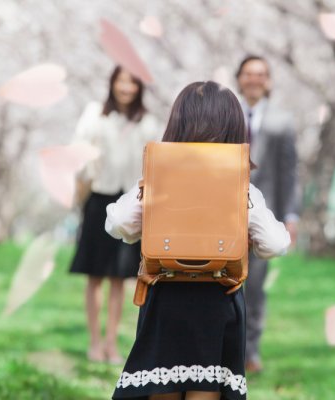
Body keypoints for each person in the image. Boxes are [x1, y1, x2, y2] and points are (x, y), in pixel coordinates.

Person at [105, 81, 290, 400]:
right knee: (207, 390)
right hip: (217, 301)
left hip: (166, 298)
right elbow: (274, 244)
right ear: (235, 128)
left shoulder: (158, 179)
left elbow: (119, 223)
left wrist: (147, 192)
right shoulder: (241, 188)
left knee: (160, 386)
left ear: (177, 124)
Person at [69, 66, 161, 363]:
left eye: (131, 82)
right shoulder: (95, 114)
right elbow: (79, 150)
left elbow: (156, 159)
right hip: (98, 199)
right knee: (95, 275)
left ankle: (111, 342)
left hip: (130, 203)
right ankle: (94, 341)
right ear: (112, 84)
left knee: (120, 277)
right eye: (121, 81)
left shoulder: (146, 122)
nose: (126, 87)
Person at [236, 55, 299, 373]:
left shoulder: (282, 121)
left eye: (261, 74)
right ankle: (228, 348)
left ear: (268, 80)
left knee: (256, 286)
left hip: (265, 213)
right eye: (249, 73)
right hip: (229, 211)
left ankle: (251, 351)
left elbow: (289, 172)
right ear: (239, 78)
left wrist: (291, 214)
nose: (254, 79)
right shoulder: (227, 114)